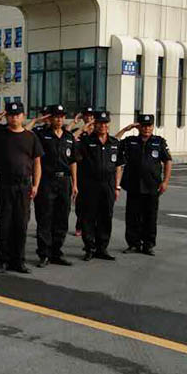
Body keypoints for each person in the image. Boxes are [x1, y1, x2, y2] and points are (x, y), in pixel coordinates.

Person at [0, 102, 43, 274]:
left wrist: (36, 184)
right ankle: (3, 261)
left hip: (24, 185)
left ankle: (18, 261)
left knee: (21, 224)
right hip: (4, 184)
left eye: (17, 115)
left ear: (23, 116)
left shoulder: (31, 137)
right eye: (11, 115)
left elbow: (37, 163)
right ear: (6, 116)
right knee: (4, 223)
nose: (14, 118)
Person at [118, 114, 173, 256]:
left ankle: (148, 245)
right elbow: (113, 143)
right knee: (132, 216)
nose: (146, 128)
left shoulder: (159, 142)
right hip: (134, 185)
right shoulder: (130, 141)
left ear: (152, 127)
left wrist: (165, 181)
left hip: (152, 186)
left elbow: (168, 161)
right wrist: (125, 129)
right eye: (143, 126)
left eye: (149, 126)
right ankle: (133, 244)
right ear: (138, 127)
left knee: (150, 217)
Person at [33, 104, 78, 268]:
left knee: (62, 218)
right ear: (50, 118)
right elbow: (35, 158)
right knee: (45, 217)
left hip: (64, 181)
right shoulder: (40, 134)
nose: (59, 120)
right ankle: (44, 254)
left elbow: (73, 161)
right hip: (46, 180)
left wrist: (75, 184)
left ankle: (56, 252)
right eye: (55, 117)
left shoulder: (69, 137)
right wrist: (37, 120)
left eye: (61, 117)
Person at [76, 111, 124, 261]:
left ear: (109, 124)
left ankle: (102, 248)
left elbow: (118, 166)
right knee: (88, 217)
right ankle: (89, 248)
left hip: (108, 185)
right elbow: (74, 144)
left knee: (106, 217)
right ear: (94, 124)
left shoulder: (114, 143)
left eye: (105, 123)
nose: (103, 126)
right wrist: (84, 128)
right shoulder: (86, 141)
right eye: (99, 123)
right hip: (90, 185)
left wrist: (117, 187)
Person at [71, 107, 96, 237]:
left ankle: (91, 226)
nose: (89, 118)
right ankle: (79, 225)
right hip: (81, 170)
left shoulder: (98, 132)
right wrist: (79, 125)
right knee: (80, 201)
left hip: (95, 171)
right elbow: (70, 137)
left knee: (94, 202)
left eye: (91, 116)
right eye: (86, 116)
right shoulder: (79, 132)